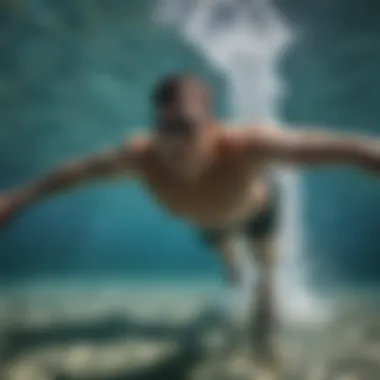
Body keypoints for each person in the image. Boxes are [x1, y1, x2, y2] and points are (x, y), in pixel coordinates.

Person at [0, 73, 379, 364]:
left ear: (211, 126)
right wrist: (18, 196)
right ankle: (230, 261)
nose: (175, 143)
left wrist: (369, 156)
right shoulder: (140, 155)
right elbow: (76, 174)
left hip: (256, 210)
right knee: (225, 255)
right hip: (207, 219)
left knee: (265, 266)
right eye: (166, 128)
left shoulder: (248, 144)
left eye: (186, 127)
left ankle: (264, 300)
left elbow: (337, 148)